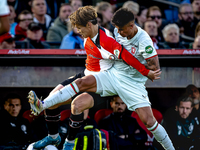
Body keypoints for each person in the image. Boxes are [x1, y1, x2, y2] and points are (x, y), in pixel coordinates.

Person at [28, 6, 174, 150]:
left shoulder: (126, 41)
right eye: (117, 29)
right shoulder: (105, 34)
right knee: (58, 96)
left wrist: (145, 70)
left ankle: (68, 142)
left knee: (148, 121)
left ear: (89, 25)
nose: (119, 33)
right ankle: (54, 135)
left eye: (79, 28)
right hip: (99, 74)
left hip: (121, 82)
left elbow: (134, 59)